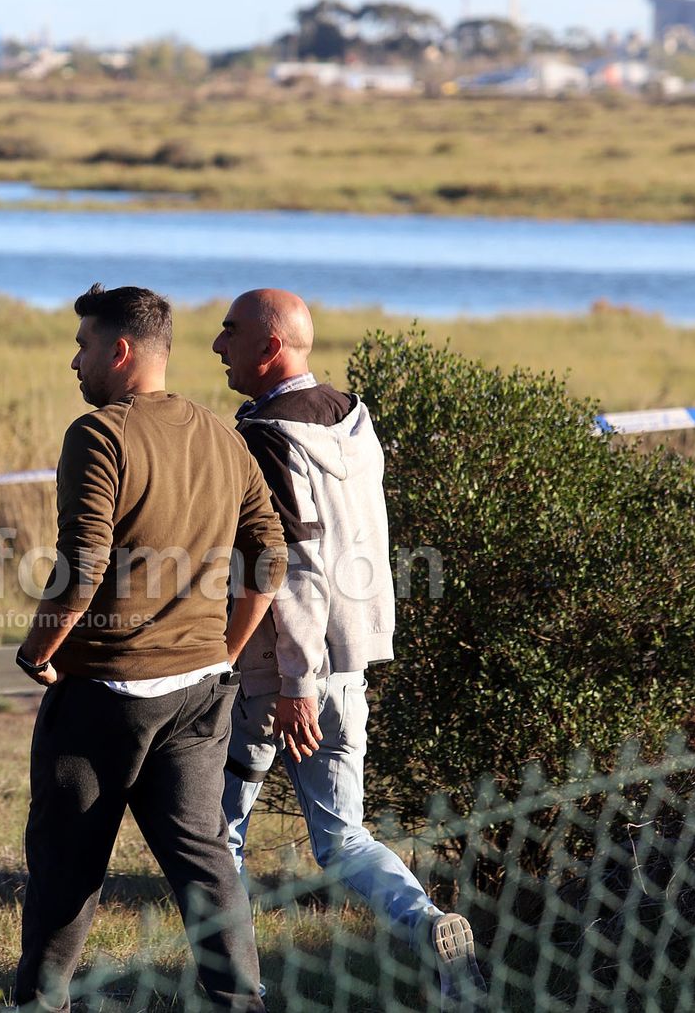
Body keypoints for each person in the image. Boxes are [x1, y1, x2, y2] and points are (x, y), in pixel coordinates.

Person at [11, 284, 287, 1013]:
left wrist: (39, 650)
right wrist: (222, 649)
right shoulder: (224, 435)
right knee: (205, 860)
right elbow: (270, 555)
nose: (75, 360)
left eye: (83, 345)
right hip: (200, 692)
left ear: (121, 350)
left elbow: (84, 565)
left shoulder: (99, 433)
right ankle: (240, 1000)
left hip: (105, 692)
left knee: (66, 864)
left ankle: (38, 1003)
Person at [210, 288, 487, 1008]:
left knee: (219, 832)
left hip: (282, 673)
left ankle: (240, 987)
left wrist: (295, 678)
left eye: (230, 332)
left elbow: (291, 564)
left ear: (271, 346)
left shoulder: (267, 435)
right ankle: (428, 923)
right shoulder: (353, 420)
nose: (217, 346)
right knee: (342, 838)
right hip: (349, 664)